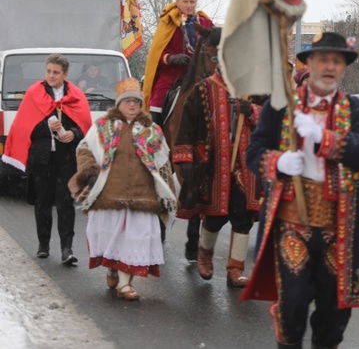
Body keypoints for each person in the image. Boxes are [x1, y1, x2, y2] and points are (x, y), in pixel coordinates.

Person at [241, 32, 359, 349]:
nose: (330, 66)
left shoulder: (354, 109)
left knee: (334, 314)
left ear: (344, 67)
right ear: (309, 64)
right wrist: (278, 162)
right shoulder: (281, 107)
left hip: (338, 227)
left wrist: (323, 138)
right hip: (292, 223)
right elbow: (253, 153)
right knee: (293, 304)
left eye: (337, 61)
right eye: (324, 60)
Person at [68, 78, 177, 301]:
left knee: (134, 238)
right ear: (118, 104)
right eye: (127, 101)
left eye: (135, 101)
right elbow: (84, 148)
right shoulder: (102, 127)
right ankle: (111, 268)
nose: (131, 105)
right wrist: (89, 172)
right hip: (109, 195)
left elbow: (164, 161)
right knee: (112, 238)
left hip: (142, 196)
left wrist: (167, 192)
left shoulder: (151, 131)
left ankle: (125, 285)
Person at [172, 59, 263, 287]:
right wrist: (185, 158)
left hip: (246, 165)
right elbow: (187, 127)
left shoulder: (255, 89)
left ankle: (235, 268)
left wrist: (252, 111)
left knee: (243, 217)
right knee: (215, 215)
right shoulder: (203, 89)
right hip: (213, 163)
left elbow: (275, 117)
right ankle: (204, 255)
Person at [1, 53, 92, 264]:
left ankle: (67, 249)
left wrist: (74, 134)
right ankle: (43, 245)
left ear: (65, 74)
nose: (51, 76)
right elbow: (24, 126)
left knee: (65, 203)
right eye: (49, 71)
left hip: (66, 158)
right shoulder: (35, 93)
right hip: (41, 157)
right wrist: (45, 126)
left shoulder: (76, 95)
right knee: (42, 202)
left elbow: (83, 124)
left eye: (56, 72)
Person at [143, 0, 214, 126]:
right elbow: (157, 52)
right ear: (178, 2)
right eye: (185, 2)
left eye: (192, 2)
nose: (189, 5)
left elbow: (213, 46)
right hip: (173, 73)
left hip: (200, 73)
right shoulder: (168, 22)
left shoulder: (205, 22)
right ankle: (156, 138)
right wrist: (171, 58)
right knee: (157, 100)